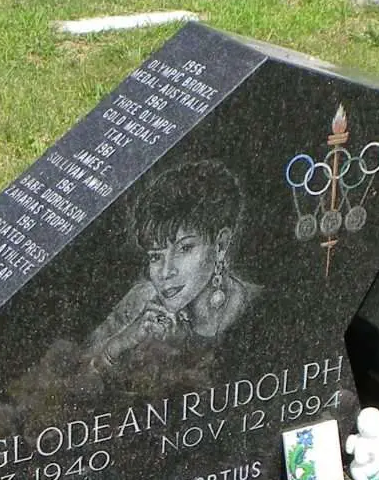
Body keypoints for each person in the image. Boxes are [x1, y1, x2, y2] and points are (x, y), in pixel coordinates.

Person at [88, 160, 260, 375]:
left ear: (221, 243)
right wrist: (120, 344)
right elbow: (68, 383)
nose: (165, 271)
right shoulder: (139, 303)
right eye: (155, 256)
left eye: (184, 248)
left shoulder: (258, 305)